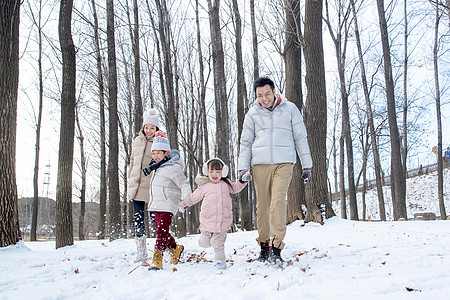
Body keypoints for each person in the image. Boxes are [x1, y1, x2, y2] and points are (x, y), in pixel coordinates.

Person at [237, 76, 313, 266]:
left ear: (274, 91)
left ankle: (276, 247)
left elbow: (300, 137)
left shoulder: (290, 109)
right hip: (260, 164)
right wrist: (243, 168)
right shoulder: (252, 113)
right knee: (262, 207)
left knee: (278, 202)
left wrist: (307, 164)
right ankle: (264, 246)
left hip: (283, 162)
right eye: (260, 95)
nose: (264, 98)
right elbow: (245, 142)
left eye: (267, 94)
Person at [179, 158, 251, 270]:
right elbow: (193, 198)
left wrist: (243, 180)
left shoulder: (226, 184)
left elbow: (237, 187)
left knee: (217, 243)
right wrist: (183, 204)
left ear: (223, 172)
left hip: (223, 221)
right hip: (207, 221)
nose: (215, 174)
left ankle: (220, 263)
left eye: (218, 172)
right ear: (207, 172)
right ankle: (207, 242)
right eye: (211, 171)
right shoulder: (204, 186)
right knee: (204, 243)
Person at [143, 131, 191, 270]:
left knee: (161, 232)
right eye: (154, 153)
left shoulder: (173, 167)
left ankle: (157, 259)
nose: (155, 156)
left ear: (166, 153)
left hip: (168, 204)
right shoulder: (156, 168)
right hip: (157, 204)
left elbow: (184, 184)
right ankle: (175, 248)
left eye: (159, 153)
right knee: (162, 231)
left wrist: (186, 199)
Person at [127, 108, 160, 263]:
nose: (149, 130)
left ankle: (162, 248)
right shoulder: (137, 140)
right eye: (146, 127)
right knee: (138, 219)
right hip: (136, 185)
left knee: (156, 219)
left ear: (156, 129)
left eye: (152, 128)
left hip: (152, 186)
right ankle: (141, 251)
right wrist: (130, 177)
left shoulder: (159, 142)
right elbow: (133, 160)